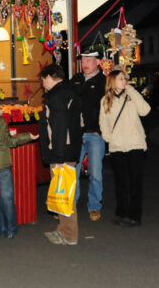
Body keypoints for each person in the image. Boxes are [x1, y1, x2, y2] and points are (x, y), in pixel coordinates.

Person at [0, 90, 36, 239]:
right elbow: (10, 142)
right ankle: (10, 229)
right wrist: (28, 136)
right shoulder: (0, 121)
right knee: (7, 197)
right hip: (3, 163)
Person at [99, 70, 151, 227]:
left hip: (135, 145)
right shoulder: (105, 100)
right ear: (113, 81)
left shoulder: (132, 96)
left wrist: (133, 92)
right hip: (117, 147)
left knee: (135, 182)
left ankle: (135, 216)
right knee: (121, 182)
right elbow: (103, 123)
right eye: (121, 79)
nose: (124, 81)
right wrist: (109, 138)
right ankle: (121, 213)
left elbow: (145, 110)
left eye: (125, 78)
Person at [39, 64, 83, 245]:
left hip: (62, 152)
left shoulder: (57, 98)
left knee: (65, 194)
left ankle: (69, 234)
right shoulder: (70, 92)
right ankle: (64, 230)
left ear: (49, 76)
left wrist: (57, 158)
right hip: (70, 149)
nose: (42, 84)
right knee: (64, 193)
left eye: (42, 79)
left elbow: (58, 129)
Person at [70, 46, 106, 222]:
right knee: (72, 171)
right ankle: (71, 205)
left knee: (95, 173)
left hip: (94, 134)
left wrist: (102, 129)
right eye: (83, 60)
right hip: (76, 133)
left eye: (88, 60)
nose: (84, 64)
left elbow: (109, 108)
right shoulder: (76, 79)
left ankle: (94, 206)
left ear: (98, 62)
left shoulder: (104, 82)